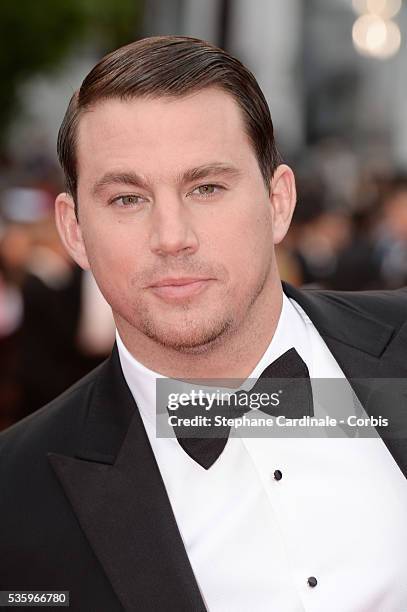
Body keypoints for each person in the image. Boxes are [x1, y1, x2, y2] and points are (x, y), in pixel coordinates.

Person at [1, 36, 407, 612]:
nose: (171, 237)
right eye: (126, 199)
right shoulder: (14, 501)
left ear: (279, 202)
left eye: (207, 187)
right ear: (73, 231)